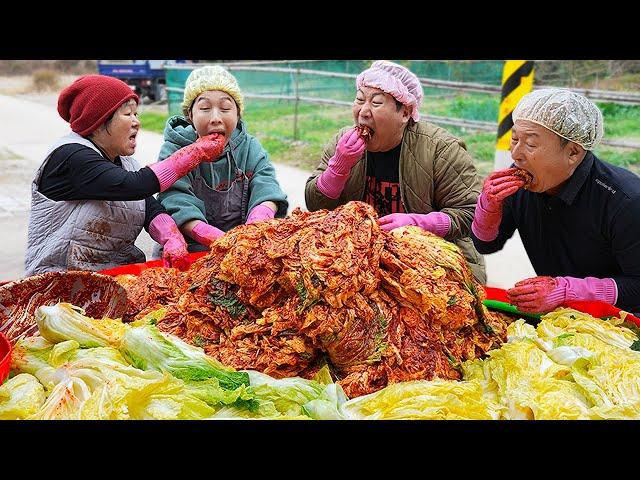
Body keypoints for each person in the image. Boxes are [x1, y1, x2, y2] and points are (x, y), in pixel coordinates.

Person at [305, 60, 486, 283]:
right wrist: (339, 167)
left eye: (377, 103)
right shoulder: (341, 142)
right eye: (360, 99)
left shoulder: (441, 149)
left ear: (405, 113)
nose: (363, 112)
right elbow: (315, 206)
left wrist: (420, 224)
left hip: (432, 266)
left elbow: (471, 215)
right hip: (360, 261)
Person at [25, 74, 225, 275]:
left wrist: (171, 237)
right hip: (58, 282)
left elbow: (149, 207)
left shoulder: (124, 162)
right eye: (128, 114)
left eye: (136, 114)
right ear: (98, 120)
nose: (136, 122)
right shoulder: (71, 156)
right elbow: (134, 185)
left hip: (111, 279)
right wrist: (194, 153)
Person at [471, 88, 640, 314]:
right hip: (556, 319)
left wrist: (567, 291)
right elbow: (486, 245)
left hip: (619, 325)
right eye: (514, 139)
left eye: (530, 144)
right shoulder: (521, 181)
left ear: (573, 153)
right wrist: (488, 210)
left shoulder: (625, 200)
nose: (516, 154)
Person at [155, 65, 288, 252]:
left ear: (238, 114)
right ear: (190, 115)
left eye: (225, 108)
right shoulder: (174, 150)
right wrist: (206, 233)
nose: (216, 118)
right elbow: (174, 197)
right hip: (190, 249)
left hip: (244, 249)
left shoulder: (250, 148)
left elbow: (267, 185)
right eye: (205, 108)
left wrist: (259, 219)